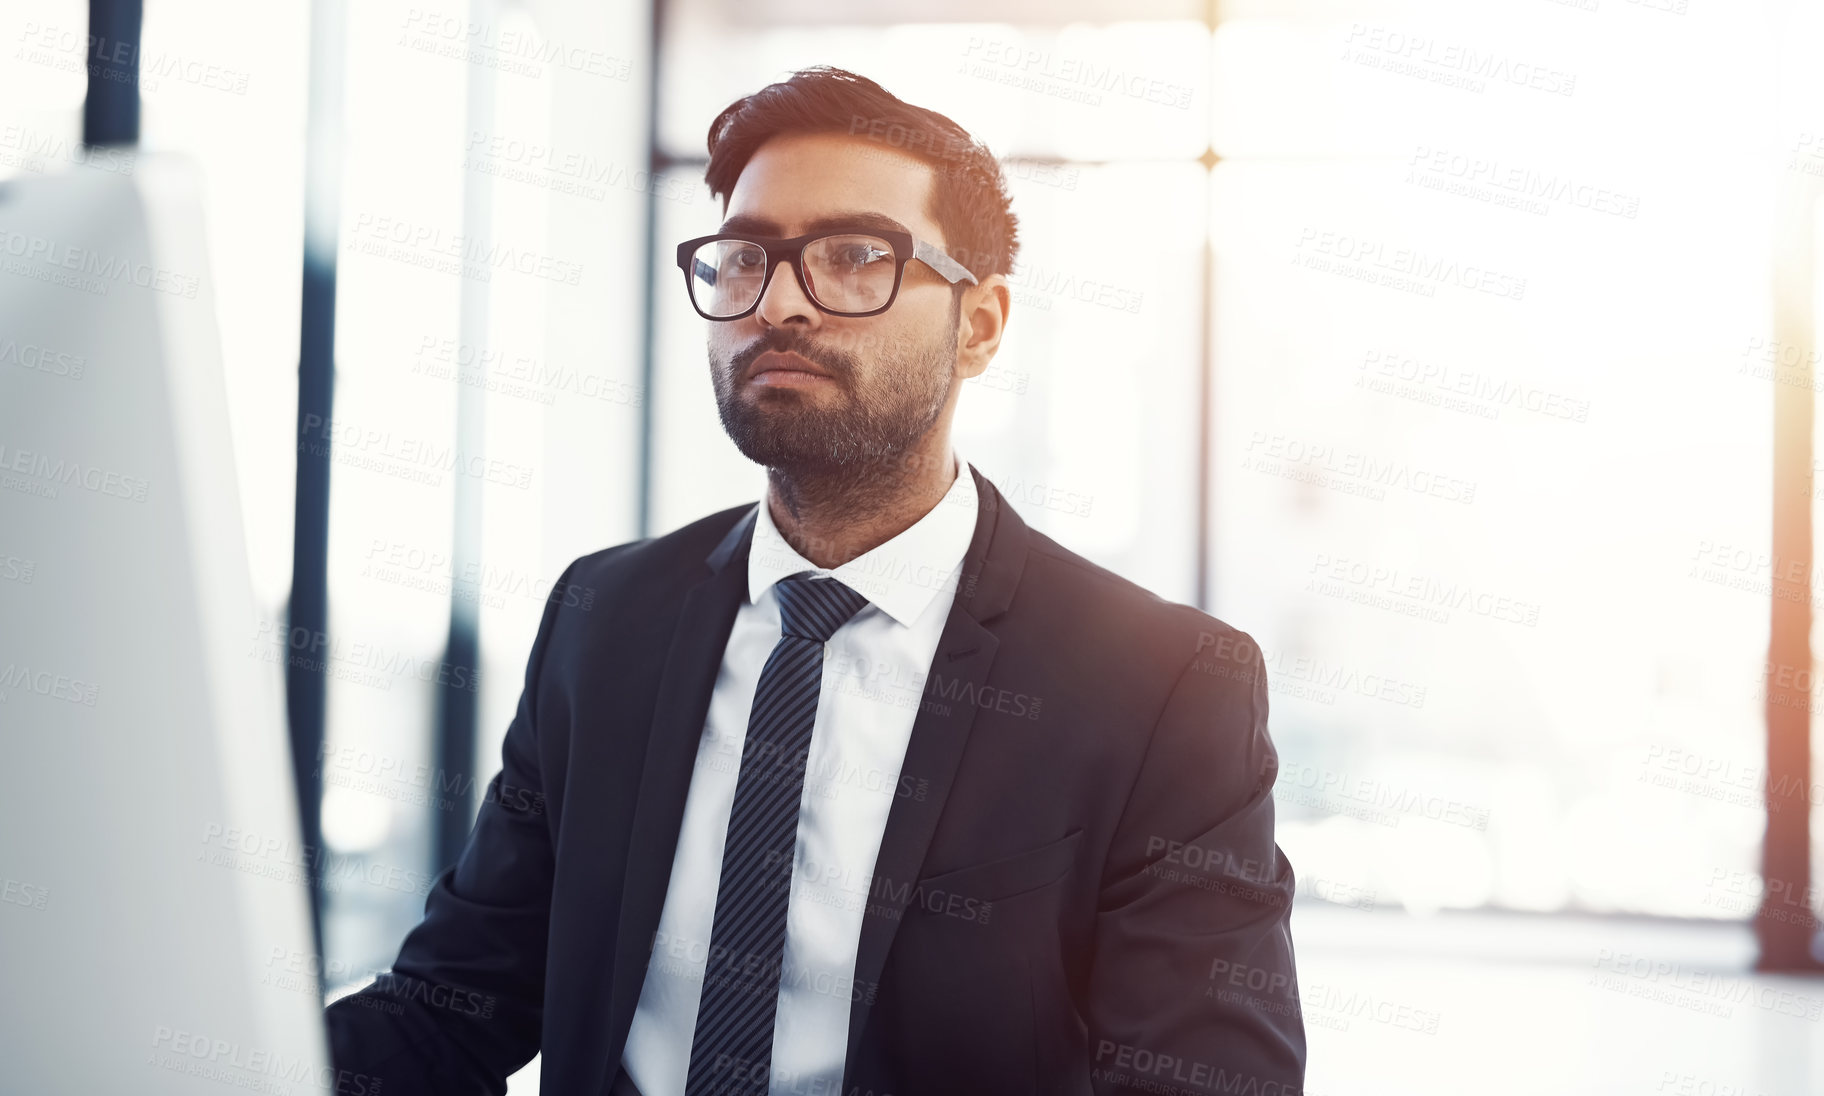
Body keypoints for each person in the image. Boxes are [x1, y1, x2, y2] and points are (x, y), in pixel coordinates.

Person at [326, 65, 1305, 1096]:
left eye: (851, 258)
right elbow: (452, 1009)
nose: (779, 303)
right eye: (744, 259)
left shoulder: (1160, 685)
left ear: (978, 326)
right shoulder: (604, 619)